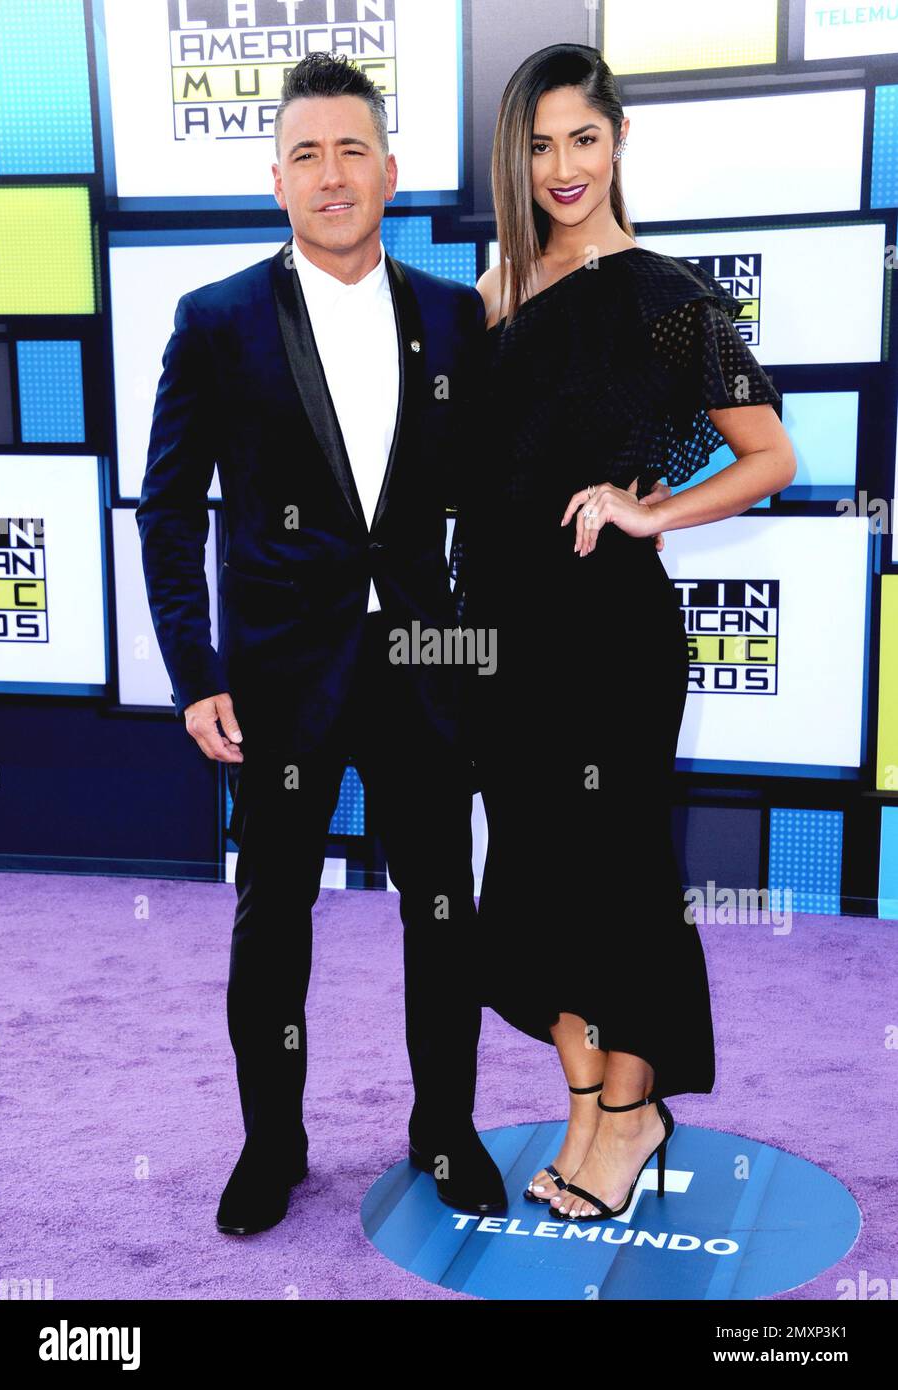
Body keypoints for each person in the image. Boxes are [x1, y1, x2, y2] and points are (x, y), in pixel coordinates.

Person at [136, 52, 506, 1235]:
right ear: (277, 180)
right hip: (279, 681)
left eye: (353, 150)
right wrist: (195, 673)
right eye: (307, 154)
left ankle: (444, 1131)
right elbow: (169, 508)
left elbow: (494, 499)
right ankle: (273, 1143)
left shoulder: (456, 318)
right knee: (273, 918)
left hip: (426, 674)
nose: (332, 173)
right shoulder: (216, 321)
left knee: (442, 906)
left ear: (391, 171)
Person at [452, 43, 796, 1223]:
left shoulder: (665, 297)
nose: (562, 166)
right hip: (500, 643)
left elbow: (770, 455)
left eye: (583, 139)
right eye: (539, 144)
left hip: (608, 642)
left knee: (620, 884)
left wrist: (650, 506)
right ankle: (595, 1104)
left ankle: (630, 1114)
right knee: (540, 882)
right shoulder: (493, 296)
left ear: (619, 142)